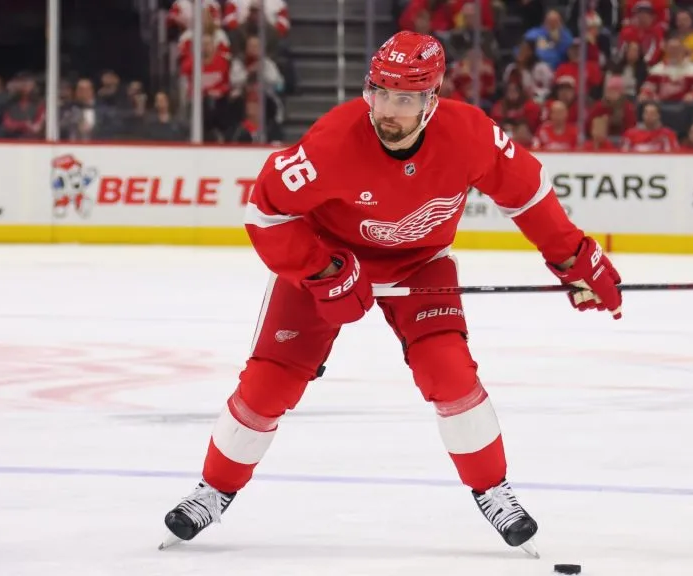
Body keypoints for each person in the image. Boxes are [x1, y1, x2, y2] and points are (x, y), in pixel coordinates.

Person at [159, 31, 624, 555]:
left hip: (420, 264)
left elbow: (527, 195)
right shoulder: (333, 141)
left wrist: (574, 257)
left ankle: (493, 489)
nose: (387, 110)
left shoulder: (470, 134)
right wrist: (324, 270)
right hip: (329, 257)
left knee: (450, 374)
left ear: (431, 99)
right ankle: (214, 489)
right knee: (270, 383)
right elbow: (265, 214)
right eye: (380, 93)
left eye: (404, 99)